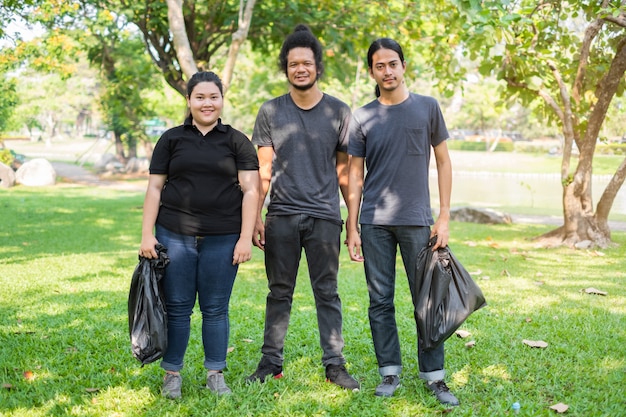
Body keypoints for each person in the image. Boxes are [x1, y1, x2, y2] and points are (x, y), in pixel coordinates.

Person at [245, 24, 359, 391]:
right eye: (293, 64)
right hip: (280, 217)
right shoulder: (270, 111)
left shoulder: (339, 112)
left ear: (317, 66)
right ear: (286, 68)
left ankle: (335, 366)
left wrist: (352, 224)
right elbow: (262, 171)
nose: (300, 69)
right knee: (279, 292)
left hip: (325, 218)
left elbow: (345, 174)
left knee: (327, 293)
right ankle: (270, 363)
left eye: (306, 63)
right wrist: (256, 219)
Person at [346, 38, 459, 406]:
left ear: (404, 66)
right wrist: (352, 226)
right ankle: (389, 371)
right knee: (380, 300)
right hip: (375, 222)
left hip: (416, 221)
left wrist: (443, 216)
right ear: (372, 72)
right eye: (380, 66)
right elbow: (355, 175)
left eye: (393, 63)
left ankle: (435, 377)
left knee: (427, 300)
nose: (388, 71)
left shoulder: (427, 108)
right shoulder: (362, 116)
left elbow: (443, 161)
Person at [139, 71, 259, 399]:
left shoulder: (236, 141)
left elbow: (251, 190)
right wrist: (147, 234)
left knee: (216, 308)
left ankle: (215, 374)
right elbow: (154, 187)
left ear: (222, 100)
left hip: (223, 238)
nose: (207, 103)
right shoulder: (171, 139)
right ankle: (172, 375)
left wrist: (245, 237)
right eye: (200, 97)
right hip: (174, 235)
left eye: (213, 97)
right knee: (177, 307)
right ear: (189, 100)